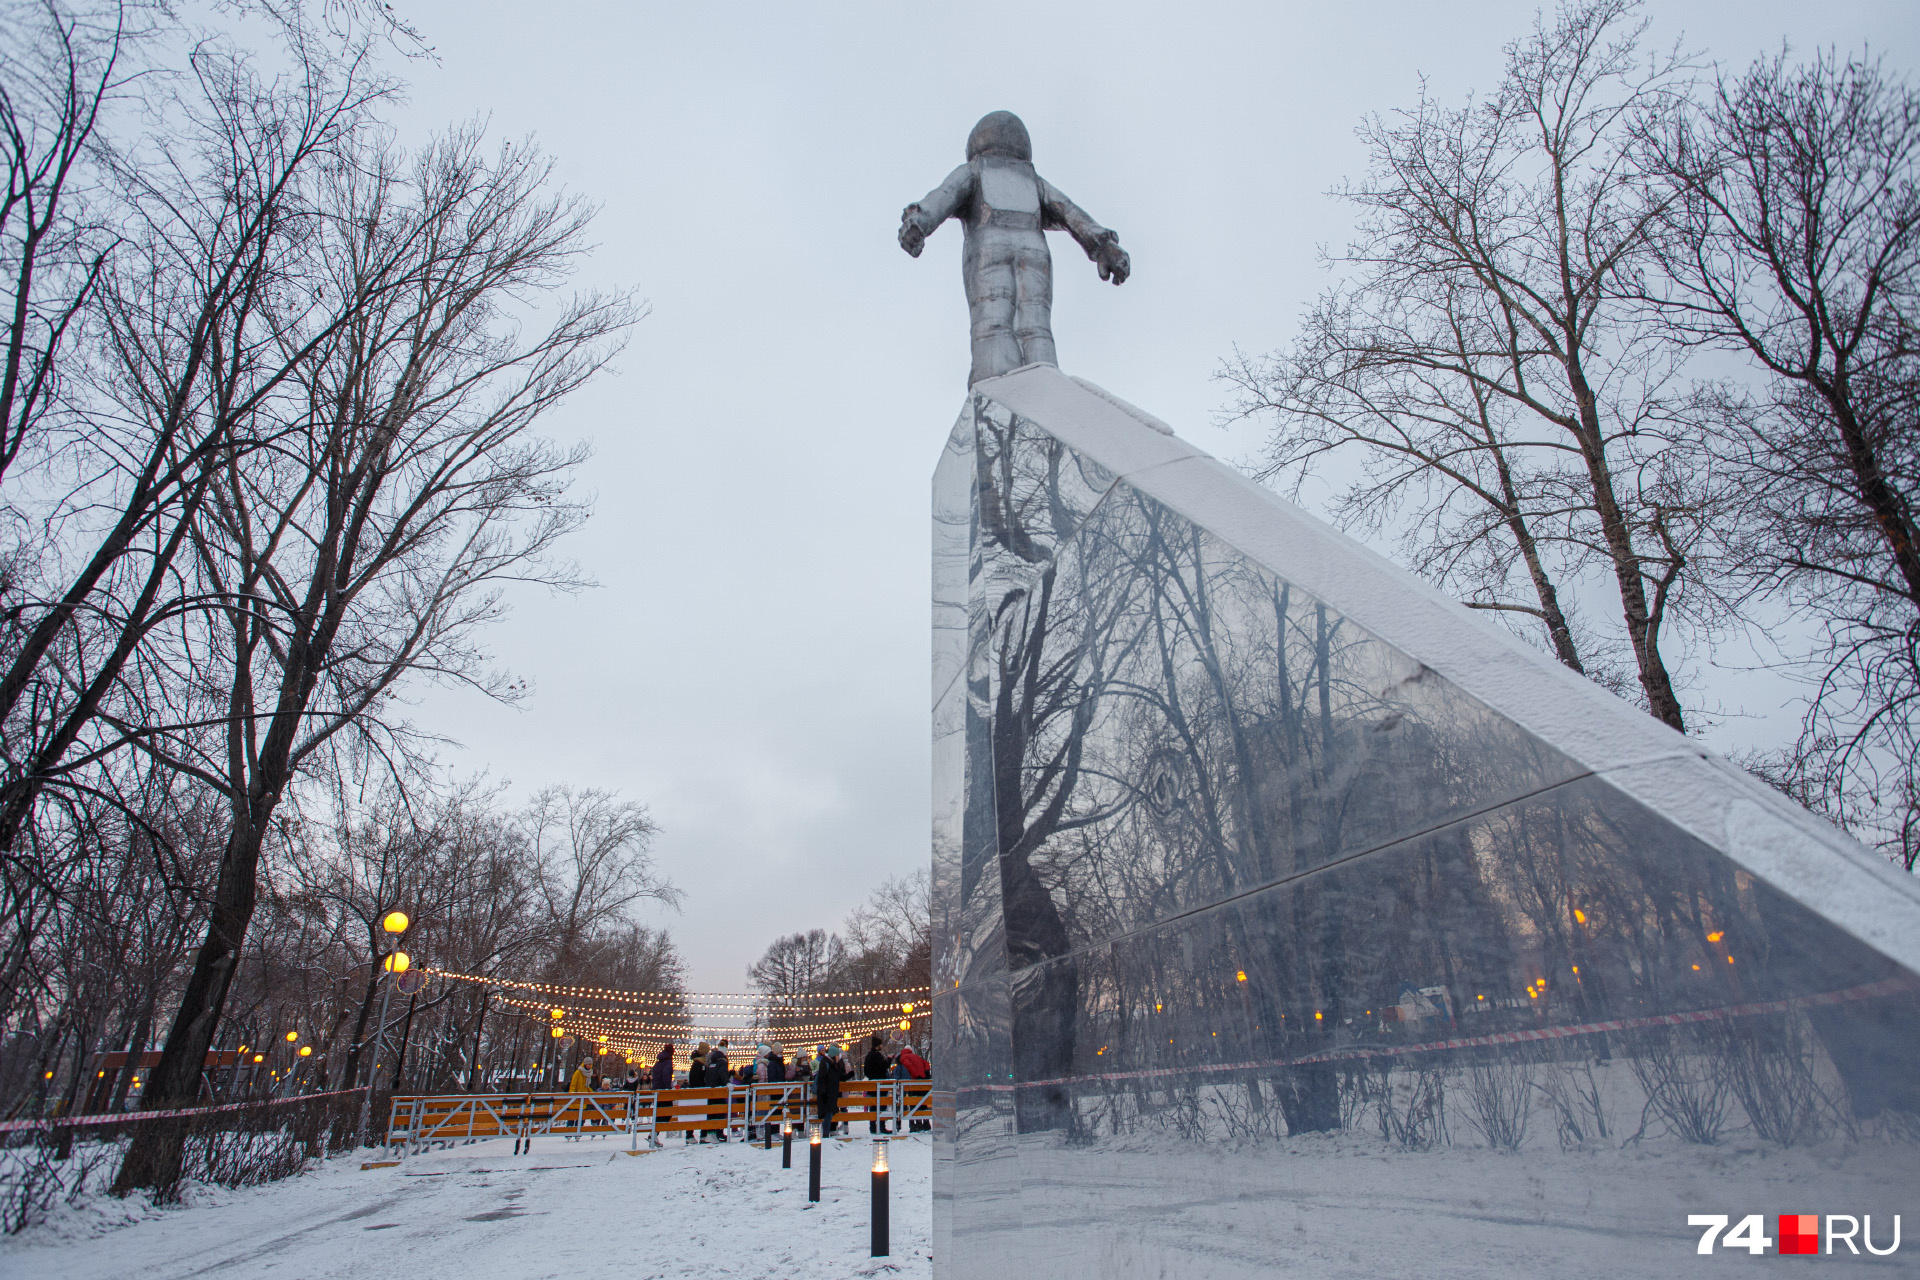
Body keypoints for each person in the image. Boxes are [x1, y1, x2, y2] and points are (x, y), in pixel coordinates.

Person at [813, 1042, 843, 1138]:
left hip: (830, 1093)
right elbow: (822, 1078)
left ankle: (826, 1133)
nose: (839, 1057)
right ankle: (825, 1134)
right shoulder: (826, 1063)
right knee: (828, 1114)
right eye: (838, 1055)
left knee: (829, 1113)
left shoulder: (831, 1064)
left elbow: (837, 1076)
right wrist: (823, 1092)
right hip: (827, 1094)